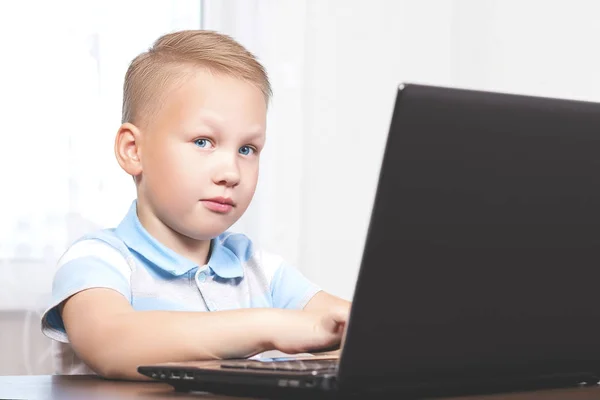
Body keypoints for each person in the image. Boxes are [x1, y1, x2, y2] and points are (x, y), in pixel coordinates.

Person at [40, 30, 350, 380]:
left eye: (247, 149)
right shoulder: (98, 259)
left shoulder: (257, 267)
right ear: (133, 150)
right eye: (203, 141)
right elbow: (111, 343)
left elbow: (355, 328)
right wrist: (268, 326)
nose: (231, 172)